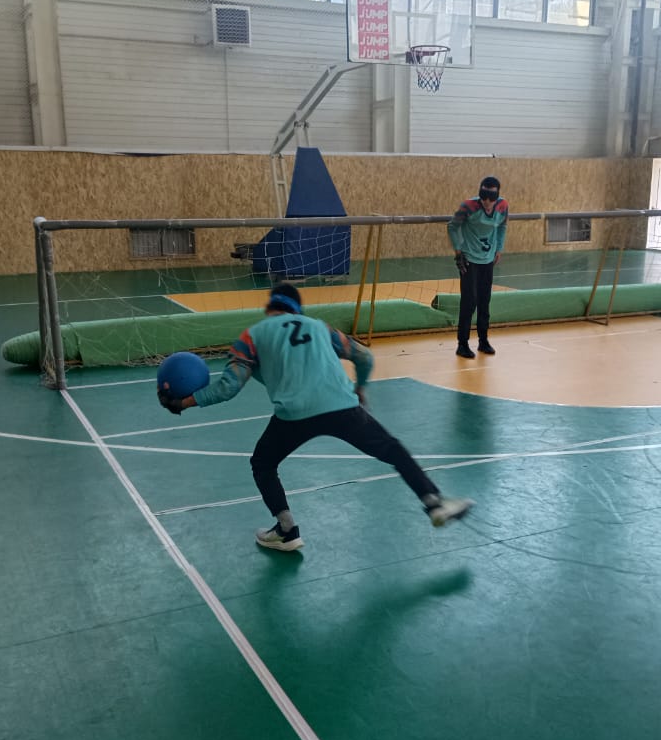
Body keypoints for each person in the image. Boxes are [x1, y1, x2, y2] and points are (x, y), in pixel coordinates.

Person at [157, 284, 474, 552]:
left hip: (293, 416)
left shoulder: (251, 336)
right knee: (391, 449)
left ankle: (287, 530)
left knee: (263, 464)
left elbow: (228, 388)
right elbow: (364, 356)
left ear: (270, 308)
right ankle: (434, 502)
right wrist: (360, 387)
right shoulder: (321, 328)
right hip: (342, 407)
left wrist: (183, 402)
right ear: (297, 310)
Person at [449, 175, 508, 359]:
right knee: (469, 302)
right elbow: (452, 226)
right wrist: (458, 251)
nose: (487, 202)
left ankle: (483, 340)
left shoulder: (503, 206)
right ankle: (462, 344)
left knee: (484, 301)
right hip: (469, 260)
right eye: (484, 197)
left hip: (487, 260)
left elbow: (502, 226)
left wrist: (499, 248)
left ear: (497, 197)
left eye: (491, 198)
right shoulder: (469, 206)